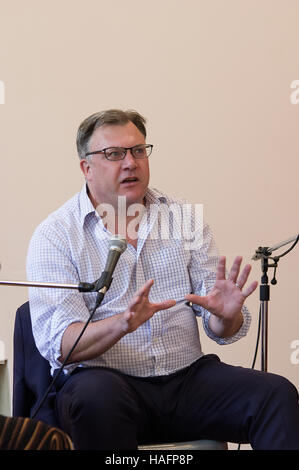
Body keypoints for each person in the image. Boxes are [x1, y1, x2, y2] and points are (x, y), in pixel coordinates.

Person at [27, 109, 299, 450]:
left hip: (187, 381)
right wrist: (121, 324)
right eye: (114, 154)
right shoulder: (55, 235)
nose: (130, 163)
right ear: (87, 167)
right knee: (96, 398)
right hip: (107, 385)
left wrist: (225, 317)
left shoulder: (183, 217)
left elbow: (220, 329)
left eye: (138, 150)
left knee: (276, 395)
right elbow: (61, 346)